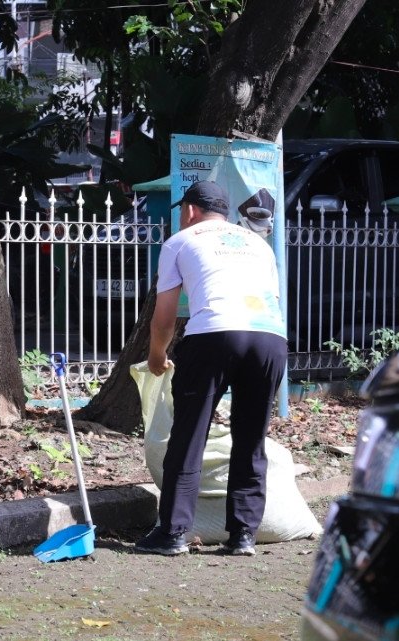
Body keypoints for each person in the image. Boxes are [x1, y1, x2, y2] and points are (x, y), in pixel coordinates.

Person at [136, 180, 287, 557]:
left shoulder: (179, 242)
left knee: (189, 435)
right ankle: (243, 536)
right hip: (270, 338)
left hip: (214, 336)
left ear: (189, 211)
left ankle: (173, 534)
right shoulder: (258, 245)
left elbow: (165, 318)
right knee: (251, 438)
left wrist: (157, 355)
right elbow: (273, 299)